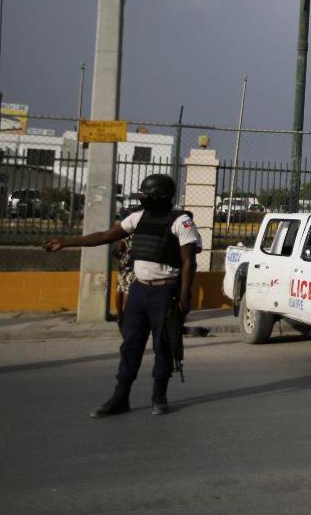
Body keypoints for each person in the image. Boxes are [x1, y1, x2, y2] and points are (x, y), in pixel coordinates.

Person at [43, 174, 200, 417]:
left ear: (161, 197)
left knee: (164, 347)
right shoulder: (137, 218)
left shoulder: (181, 222)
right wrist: (66, 242)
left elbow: (189, 262)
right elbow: (106, 236)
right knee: (131, 345)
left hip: (165, 292)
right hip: (138, 290)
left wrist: (184, 299)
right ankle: (120, 397)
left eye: (146, 195)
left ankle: (159, 396)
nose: (142, 198)